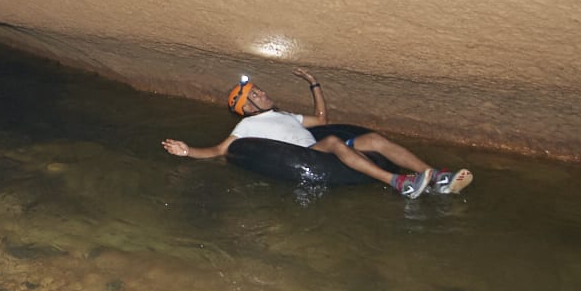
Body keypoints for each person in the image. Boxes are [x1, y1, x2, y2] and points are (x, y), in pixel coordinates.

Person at [162, 68, 473, 199]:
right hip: (312, 154)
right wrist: (188, 150)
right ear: (247, 107)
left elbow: (323, 118)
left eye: (259, 89)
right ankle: (398, 182)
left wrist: (314, 84)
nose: (263, 93)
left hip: (318, 146)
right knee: (335, 141)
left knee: (375, 139)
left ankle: (433, 176)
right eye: (255, 94)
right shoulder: (247, 126)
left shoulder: (286, 115)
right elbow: (219, 150)